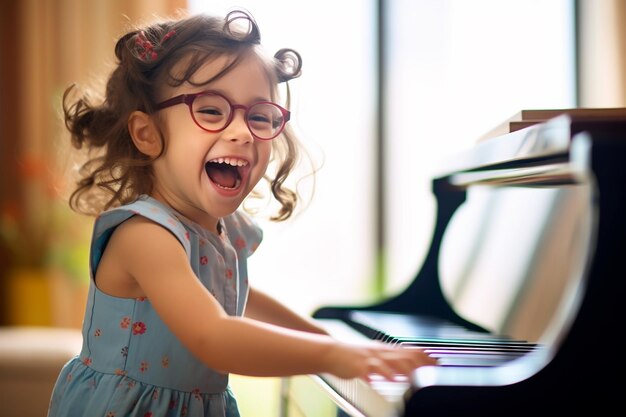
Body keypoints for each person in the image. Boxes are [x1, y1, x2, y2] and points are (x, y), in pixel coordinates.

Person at [47, 9, 437, 417]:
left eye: (260, 116)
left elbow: (237, 299)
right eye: (212, 111)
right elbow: (212, 335)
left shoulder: (224, 232)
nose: (243, 132)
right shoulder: (143, 236)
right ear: (147, 134)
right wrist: (335, 357)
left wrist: (332, 339)